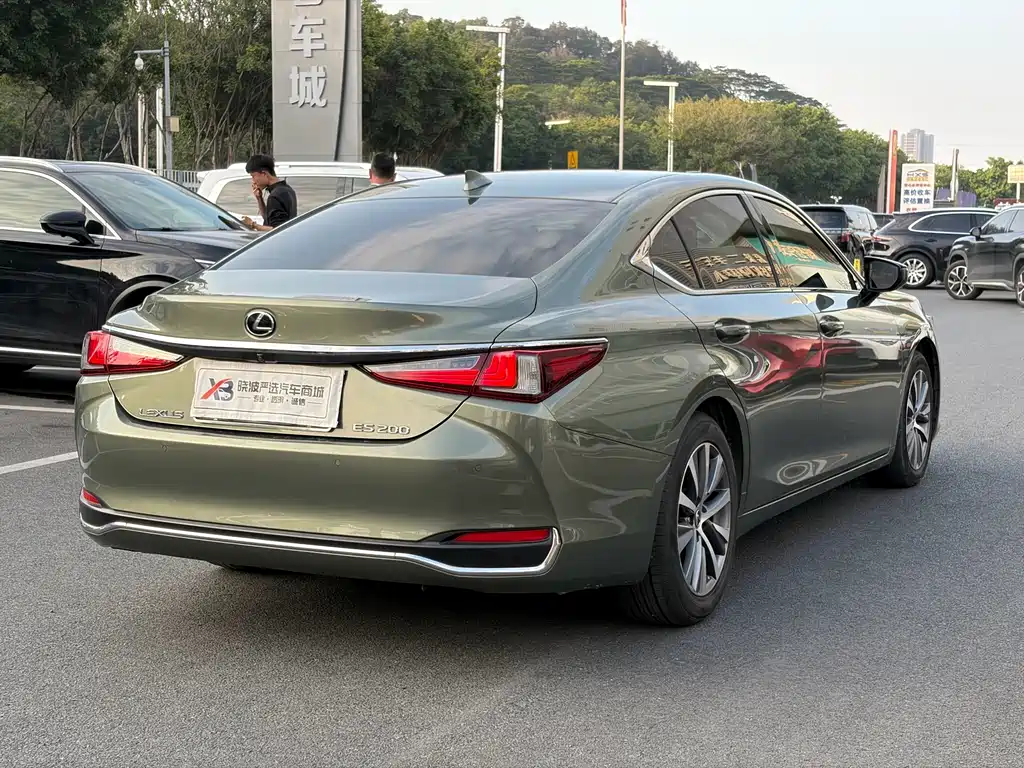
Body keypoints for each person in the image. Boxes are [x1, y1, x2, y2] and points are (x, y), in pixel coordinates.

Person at [241, 154, 297, 231]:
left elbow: (277, 230)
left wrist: (253, 224)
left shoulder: (275, 196)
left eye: (253, 176)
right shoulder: (287, 189)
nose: (253, 181)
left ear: (264, 174)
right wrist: (259, 198)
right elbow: (268, 218)